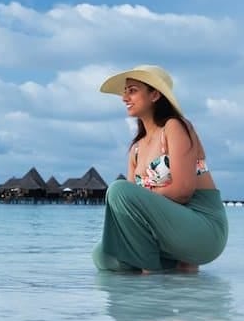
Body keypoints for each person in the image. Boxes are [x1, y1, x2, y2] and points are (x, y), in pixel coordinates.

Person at [92, 65, 228, 273]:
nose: (124, 97)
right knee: (103, 255)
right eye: (124, 92)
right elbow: (128, 214)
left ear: (155, 94)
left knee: (118, 189)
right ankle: (171, 267)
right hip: (166, 235)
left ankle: (150, 271)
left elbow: (182, 191)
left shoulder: (175, 127)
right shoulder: (136, 149)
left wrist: (144, 195)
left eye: (133, 90)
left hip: (203, 228)